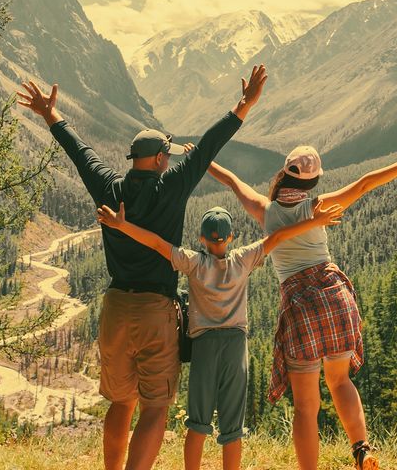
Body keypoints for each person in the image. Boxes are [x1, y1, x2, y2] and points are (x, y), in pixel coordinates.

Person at [15, 65, 267, 470]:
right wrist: (244, 105)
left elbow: (80, 152)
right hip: (155, 311)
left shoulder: (109, 187)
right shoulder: (173, 185)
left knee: (121, 401)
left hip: (116, 308)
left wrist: (51, 116)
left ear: (135, 160)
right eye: (167, 154)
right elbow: (207, 147)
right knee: (154, 407)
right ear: (163, 159)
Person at [206, 138, 397, 470]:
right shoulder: (318, 206)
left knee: (306, 406)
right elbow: (365, 184)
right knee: (340, 381)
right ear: (313, 180)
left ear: (285, 173)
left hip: (300, 306)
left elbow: (232, 181)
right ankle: (361, 449)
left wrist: (202, 159)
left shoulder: (266, 211)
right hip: (335, 296)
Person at [95, 202, 346, 470]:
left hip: (203, 346)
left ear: (202, 238)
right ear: (230, 238)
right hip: (235, 346)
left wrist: (121, 225)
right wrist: (314, 221)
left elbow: (157, 244)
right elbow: (279, 236)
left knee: (198, 423)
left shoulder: (194, 263)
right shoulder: (243, 259)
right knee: (232, 427)